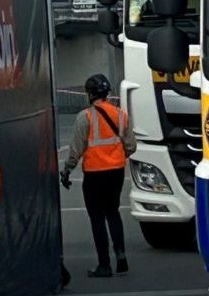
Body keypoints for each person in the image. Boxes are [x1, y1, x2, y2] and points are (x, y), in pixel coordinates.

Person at [60, 73, 134, 279]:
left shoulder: (85, 117)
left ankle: (104, 264)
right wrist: (117, 155)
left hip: (94, 174)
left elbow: (76, 149)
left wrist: (67, 171)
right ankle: (121, 256)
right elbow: (131, 145)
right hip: (117, 172)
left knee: (97, 218)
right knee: (113, 212)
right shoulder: (121, 115)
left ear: (90, 94)